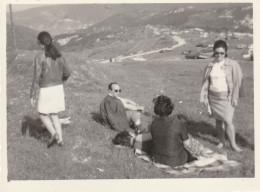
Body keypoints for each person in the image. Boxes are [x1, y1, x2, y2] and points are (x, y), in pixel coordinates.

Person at [200, 39, 245, 152]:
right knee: (218, 120)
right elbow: (205, 82)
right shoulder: (210, 65)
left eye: (222, 53)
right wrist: (205, 96)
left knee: (228, 121)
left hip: (226, 97)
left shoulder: (232, 64)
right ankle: (221, 141)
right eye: (217, 53)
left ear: (226, 52)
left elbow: (237, 82)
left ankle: (233, 144)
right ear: (214, 52)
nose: (219, 55)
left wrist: (235, 97)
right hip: (213, 97)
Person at [30, 31, 71, 148]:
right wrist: (61, 80)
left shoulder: (39, 56)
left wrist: (32, 94)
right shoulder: (59, 55)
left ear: (39, 43)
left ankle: (54, 135)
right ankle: (61, 140)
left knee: (42, 114)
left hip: (46, 88)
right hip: (58, 88)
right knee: (54, 114)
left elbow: (36, 77)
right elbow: (68, 72)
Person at [150, 95, 195, 167]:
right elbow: (187, 144)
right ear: (170, 108)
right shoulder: (178, 123)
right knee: (188, 151)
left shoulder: (153, 123)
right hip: (176, 161)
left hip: (157, 159)